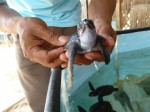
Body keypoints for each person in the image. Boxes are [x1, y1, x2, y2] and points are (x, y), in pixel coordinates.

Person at [0, 0, 116, 112]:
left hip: (71, 24)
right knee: (41, 102)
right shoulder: (76, 42)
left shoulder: (93, 36)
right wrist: (19, 24)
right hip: (26, 32)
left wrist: (101, 19)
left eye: (89, 25)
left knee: (80, 96)